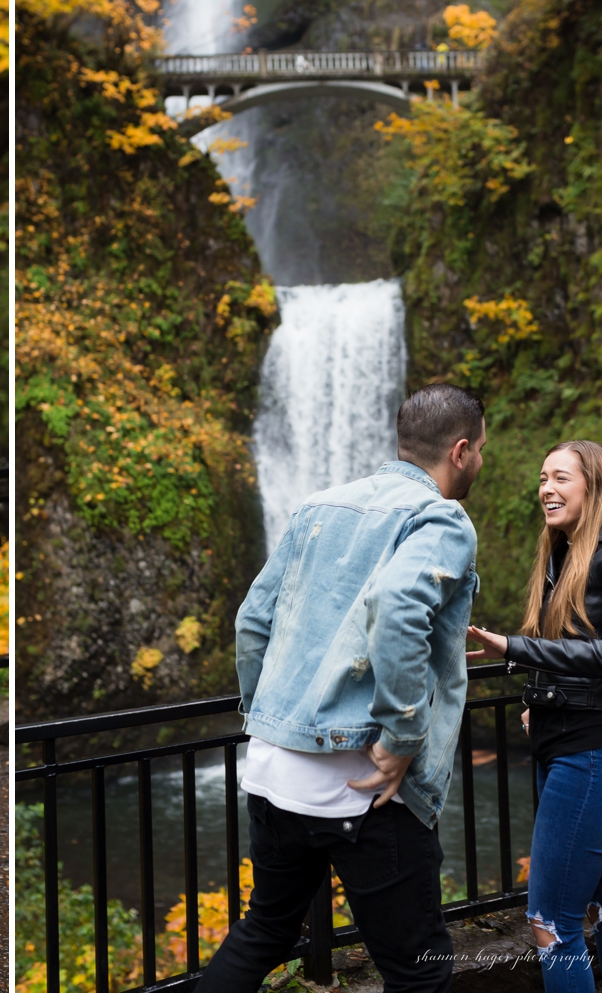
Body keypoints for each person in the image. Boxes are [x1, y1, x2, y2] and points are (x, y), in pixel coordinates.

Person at [195, 384, 485, 993]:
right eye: (481, 450)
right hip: (367, 785)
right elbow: (401, 606)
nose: (480, 461)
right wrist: (404, 735)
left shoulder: (317, 506)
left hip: (275, 774)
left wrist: (267, 715)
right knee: (418, 971)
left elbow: (252, 620)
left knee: (264, 931)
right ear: (461, 451)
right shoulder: (441, 518)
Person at [464, 440, 602, 993]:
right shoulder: (566, 550)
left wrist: (514, 648)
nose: (546, 489)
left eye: (560, 479)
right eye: (542, 478)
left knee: (550, 922)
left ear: (592, 486)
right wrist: (538, 696)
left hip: (596, 754)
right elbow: (577, 645)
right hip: (570, 746)